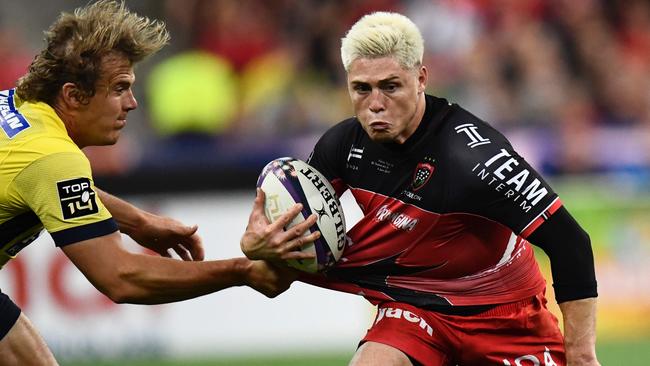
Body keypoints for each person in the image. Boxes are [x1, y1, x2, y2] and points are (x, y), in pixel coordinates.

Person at [242, 12, 600, 366]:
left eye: (391, 86)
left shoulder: (474, 158)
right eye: (361, 89)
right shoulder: (342, 145)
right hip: (413, 308)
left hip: (502, 316)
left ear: (421, 78)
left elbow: (571, 244)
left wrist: (582, 358)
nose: (375, 104)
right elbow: (303, 239)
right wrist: (258, 247)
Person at [0, 1, 317, 364]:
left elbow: (48, 183)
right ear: (72, 95)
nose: (133, 103)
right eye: (119, 88)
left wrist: (137, 221)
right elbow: (121, 277)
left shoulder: (18, 105)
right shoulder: (52, 157)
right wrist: (242, 271)